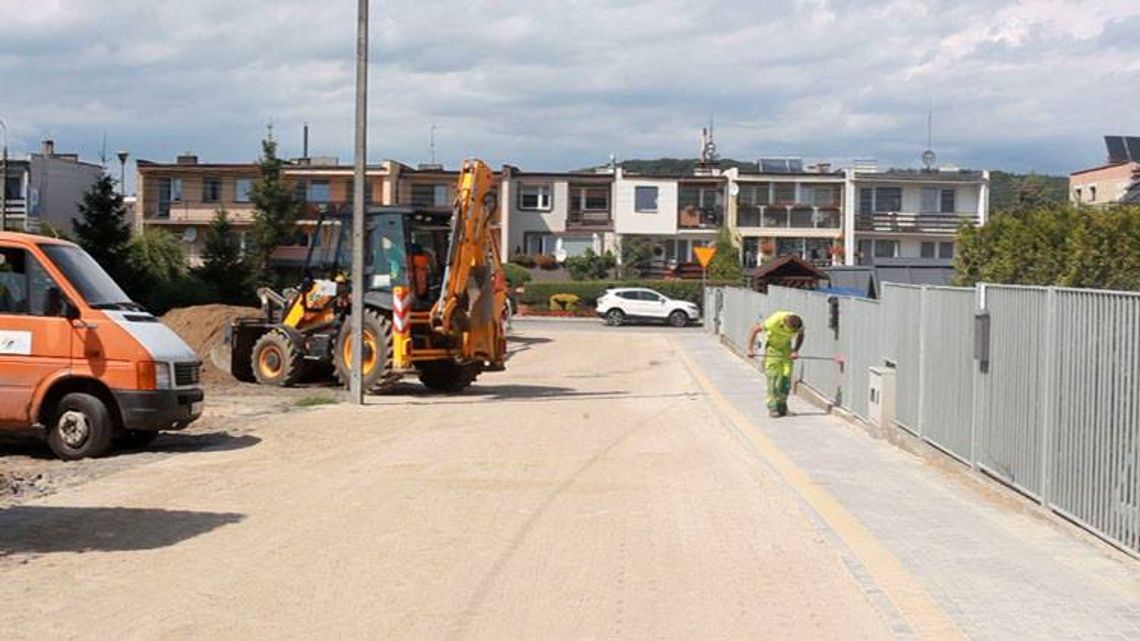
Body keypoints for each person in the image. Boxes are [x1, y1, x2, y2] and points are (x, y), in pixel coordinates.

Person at [746, 311, 804, 418]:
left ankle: (782, 407)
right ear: (785, 324)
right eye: (791, 330)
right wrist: (750, 349)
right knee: (773, 378)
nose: (793, 332)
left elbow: (801, 335)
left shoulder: (798, 323)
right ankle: (772, 408)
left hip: (786, 350)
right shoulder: (773, 321)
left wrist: (795, 351)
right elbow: (754, 330)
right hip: (773, 350)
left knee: (786, 379)